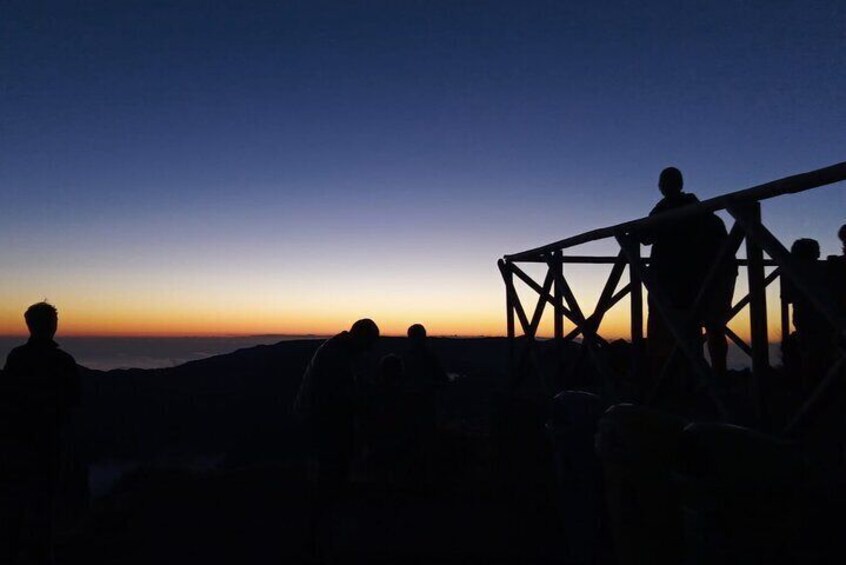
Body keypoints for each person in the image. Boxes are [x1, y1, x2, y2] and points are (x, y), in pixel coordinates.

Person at [639, 167, 737, 382]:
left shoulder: (666, 210)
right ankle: (716, 379)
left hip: (676, 282)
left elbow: (644, 236)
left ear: (663, 186)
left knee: (674, 330)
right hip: (709, 278)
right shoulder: (705, 213)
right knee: (711, 328)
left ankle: (676, 381)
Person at [1, 302, 81, 564]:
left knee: (16, 505)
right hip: (48, 445)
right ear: (52, 326)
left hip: (16, 444)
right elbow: (72, 403)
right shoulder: (62, 362)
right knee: (45, 506)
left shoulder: (16, 358)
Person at [292, 318, 379, 513]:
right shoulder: (337, 355)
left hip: (319, 416)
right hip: (321, 418)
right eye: (368, 344)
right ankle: (327, 511)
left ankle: (327, 505)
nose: (368, 350)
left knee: (330, 464)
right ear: (361, 337)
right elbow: (341, 394)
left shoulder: (339, 348)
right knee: (331, 464)